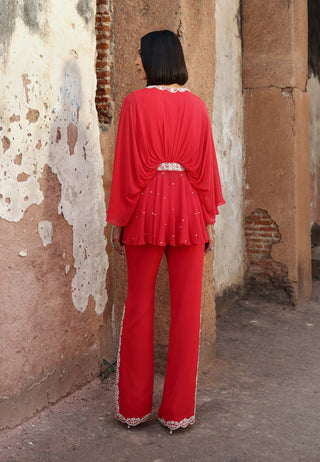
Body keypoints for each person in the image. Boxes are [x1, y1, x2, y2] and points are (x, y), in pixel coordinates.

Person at [107, 30, 225, 433]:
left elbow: (125, 167)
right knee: (187, 312)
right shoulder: (197, 107)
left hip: (145, 211)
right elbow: (207, 169)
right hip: (190, 214)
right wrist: (208, 219)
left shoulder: (135, 103)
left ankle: (134, 408)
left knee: (138, 308)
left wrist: (119, 219)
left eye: (139, 55)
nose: (136, 61)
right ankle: (177, 412)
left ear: (153, 58)